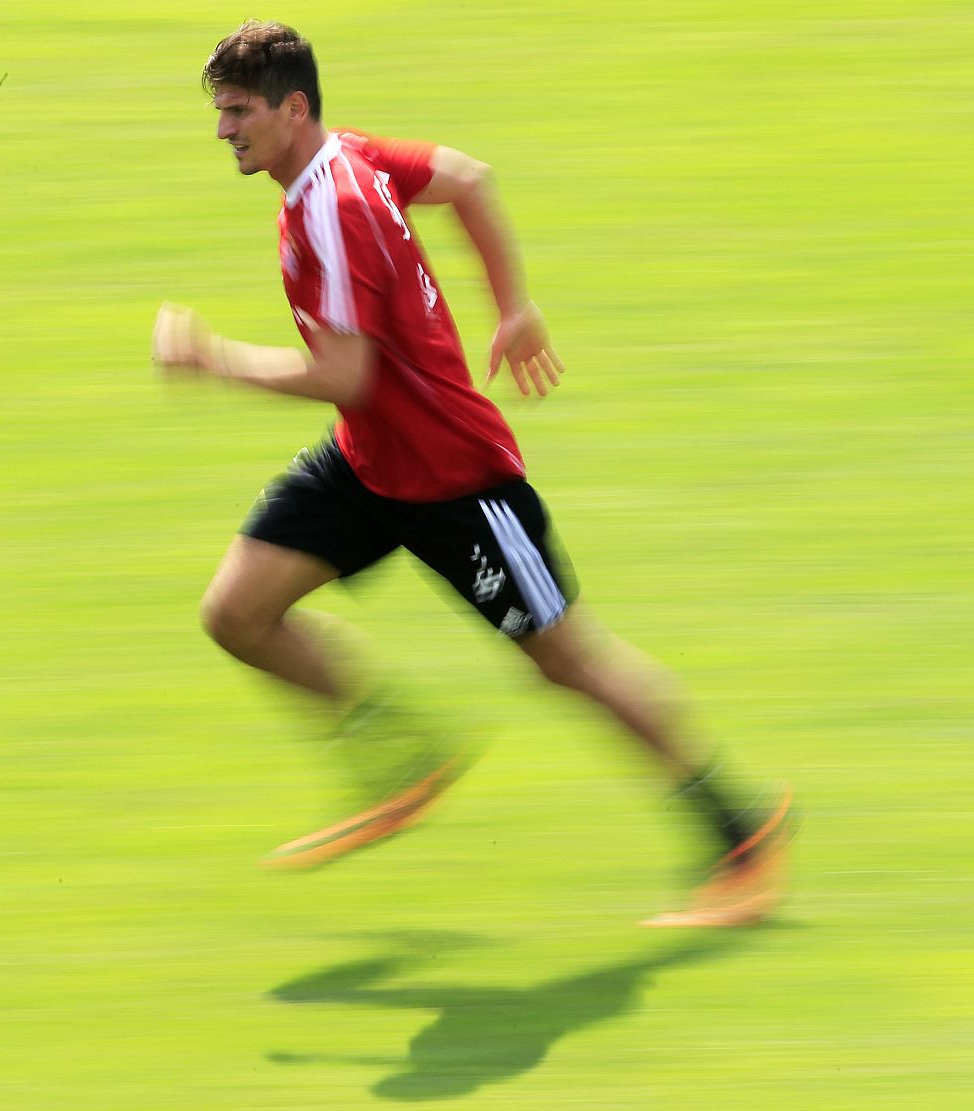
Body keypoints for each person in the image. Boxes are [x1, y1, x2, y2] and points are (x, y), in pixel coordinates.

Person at [152, 20, 792, 927]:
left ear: (293, 108)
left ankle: (743, 834)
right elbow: (468, 178)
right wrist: (514, 306)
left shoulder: (334, 208)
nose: (223, 130)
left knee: (568, 661)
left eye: (238, 111)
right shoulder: (347, 155)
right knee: (236, 612)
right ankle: (404, 760)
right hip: (369, 462)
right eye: (219, 112)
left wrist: (214, 359)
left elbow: (345, 375)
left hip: (456, 483)